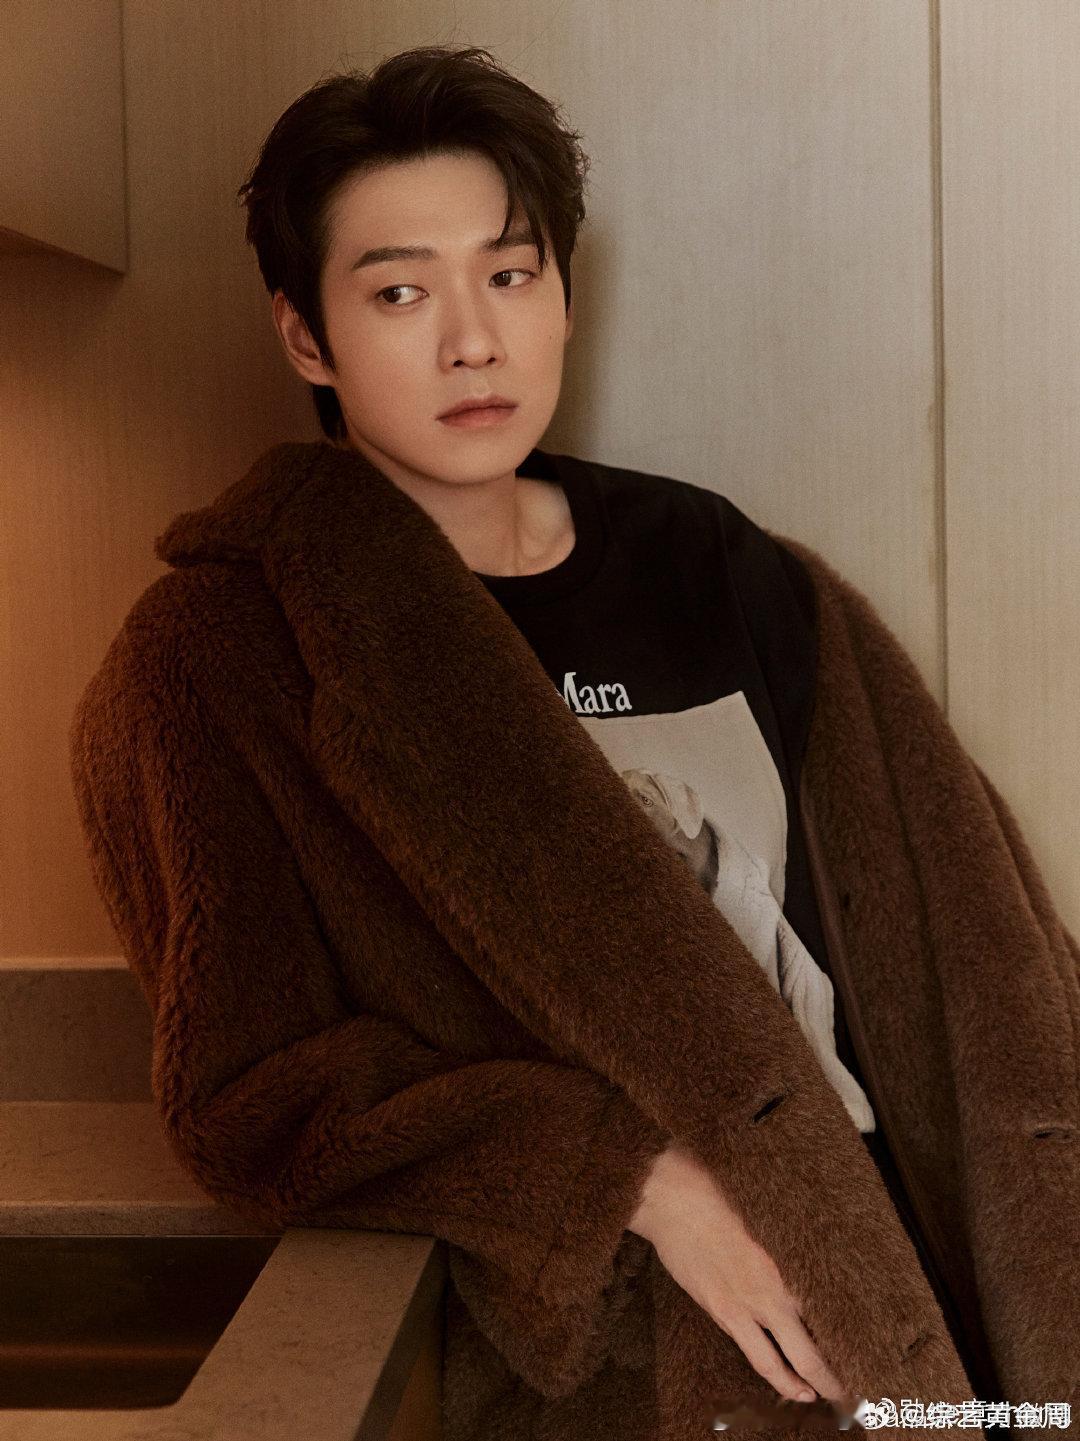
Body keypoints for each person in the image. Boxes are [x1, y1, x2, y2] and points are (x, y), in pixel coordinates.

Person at [72, 43, 1063, 1438]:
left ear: (563, 295)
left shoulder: (716, 565)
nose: (472, 340)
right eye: (400, 291)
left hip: (896, 1272)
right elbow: (254, 1092)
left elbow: (974, 953)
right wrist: (628, 1178)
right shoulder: (220, 656)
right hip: (634, 1355)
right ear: (305, 335)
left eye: (511, 274)